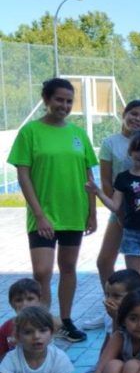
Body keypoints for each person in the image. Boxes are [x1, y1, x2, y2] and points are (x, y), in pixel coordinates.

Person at [7, 78, 99, 342]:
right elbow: (23, 176)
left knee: (68, 267)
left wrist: (91, 212)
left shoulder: (78, 134)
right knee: (43, 272)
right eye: (59, 99)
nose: (64, 105)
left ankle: (66, 321)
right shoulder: (30, 133)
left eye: (69, 101)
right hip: (44, 215)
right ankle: (41, 323)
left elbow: (88, 176)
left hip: (73, 212)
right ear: (46, 100)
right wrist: (38, 214)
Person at [94, 100, 140, 310]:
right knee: (104, 261)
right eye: (134, 114)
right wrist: (118, 211)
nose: (138, 119)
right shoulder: (110, 143)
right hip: (120, 211)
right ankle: (113, 306)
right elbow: (106, 181)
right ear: (124, 114)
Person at [86, 130, 140, 296]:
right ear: (130, 153)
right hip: (132, 233)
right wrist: (98, 192)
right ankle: (136, 312)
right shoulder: (123, 178)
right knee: (133, 280)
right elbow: (114, 205)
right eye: (137, 150)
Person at [69, 270, 140, 373]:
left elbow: (125, 352)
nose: (109, 300)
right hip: (113, 366)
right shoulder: (110, 316)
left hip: (135, 367)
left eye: (116, 296)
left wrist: (117, 320)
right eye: (107, 295)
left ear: (133, 296)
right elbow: (108, 349)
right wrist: (100, 369)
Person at [0, 278, 42, 360]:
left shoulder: (46, 323)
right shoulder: (7, 327)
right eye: (19, 300)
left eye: (30, 299)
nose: (25, 304)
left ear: (39, 300)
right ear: (12, 304)